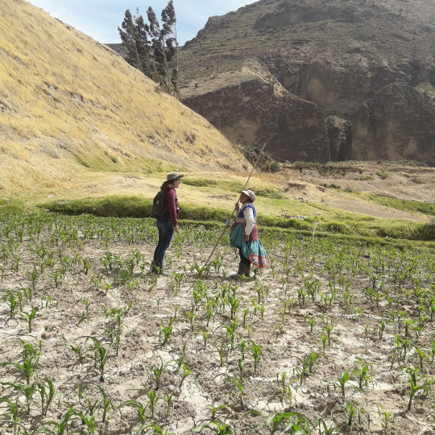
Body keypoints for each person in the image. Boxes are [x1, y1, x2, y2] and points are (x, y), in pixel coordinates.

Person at [230, 189, 267, 278]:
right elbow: (240, 218)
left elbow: (250, 221)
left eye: (242, 195)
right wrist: (237, 209)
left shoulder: (248, 207)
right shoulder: (245, 206)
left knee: (244, 251)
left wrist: (247, 234)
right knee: (243, 251)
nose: (240, 197)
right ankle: (245, 272)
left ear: (247, 198)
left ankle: (242, 273)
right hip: (244, 229)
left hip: (247, 230)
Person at [151, 172, 184, 274]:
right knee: (164, 245)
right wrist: (175, 224)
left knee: (160, 244)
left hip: (160, 220)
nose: (179, 182)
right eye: (178, 180)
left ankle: (154, 267)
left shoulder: (164, 191)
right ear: (174, 181)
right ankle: (158, 268)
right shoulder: (171, 192)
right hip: (167, 222)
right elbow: (172, 210)